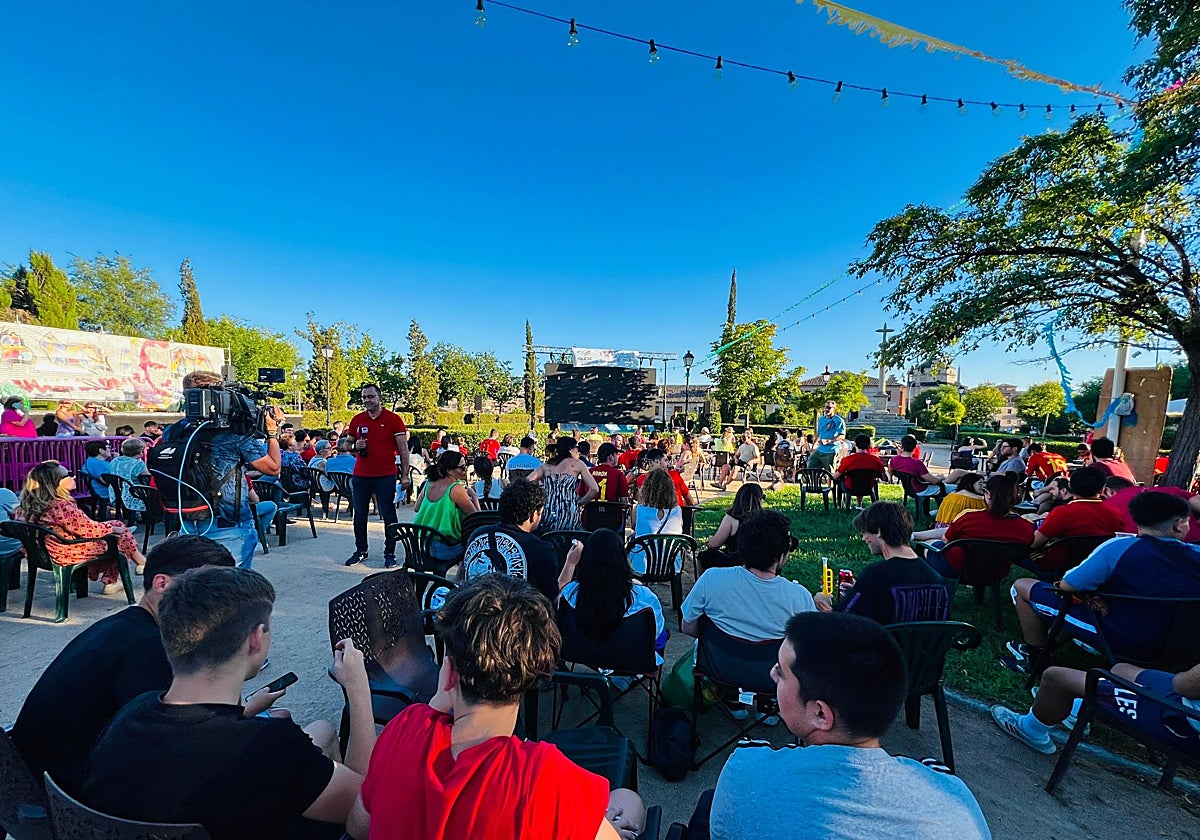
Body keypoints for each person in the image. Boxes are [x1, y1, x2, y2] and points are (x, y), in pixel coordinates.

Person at [81, 567, 374, 839]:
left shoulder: (132, 712)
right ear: (256, 639)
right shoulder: (268, 745)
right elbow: (366, 806)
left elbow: (198, 738)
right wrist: (357, 686)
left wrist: (244, 711)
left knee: (321, 730)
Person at [347, 574, 644, 839]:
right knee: (628, 800)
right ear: (533, 672)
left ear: (449, 673)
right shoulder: (544, 779)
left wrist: (440, 699)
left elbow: (358, 826)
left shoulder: (406, 727)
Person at [706, 612, 991, 839]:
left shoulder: (745, 771)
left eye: (781, 673)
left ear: (820, 714)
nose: (772, 674)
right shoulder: (955, 801)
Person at [9, 536, 236, 796]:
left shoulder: (124, 625)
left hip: (35, 777)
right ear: (162, 583)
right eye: (208, 587)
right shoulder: (147, 646)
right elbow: (165, 741)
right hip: (68, 793)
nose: (220, 600)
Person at [1002, 492, 1200, 676]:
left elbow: (1068, 585)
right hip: (1186, 646)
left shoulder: (1119, 548)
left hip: (1123, 637)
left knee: (1023, 586)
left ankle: (1034, 658)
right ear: (1179, 525)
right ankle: (1049, 645)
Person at [174, 370, 284, 570]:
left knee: (197, 584)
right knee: (229, 589)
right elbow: (273, 468)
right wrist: (272, 432)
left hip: (188, 519)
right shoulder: (232, 435)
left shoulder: (174, 430)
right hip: (227, 524)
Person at [992, 660, 1200, 755]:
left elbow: (1183, 686)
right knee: (1121, 669)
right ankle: (1077, 709)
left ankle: (1031, 730)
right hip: (1185, 703)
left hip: (1179, 719)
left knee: (1055, 678)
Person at [682, 510, 816, 643]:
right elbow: (809, 644)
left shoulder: (711, 579)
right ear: (782, 556)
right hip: (772, 664)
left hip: (715, 663)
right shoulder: (799, 597)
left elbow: (687, 627)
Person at [16, 460, 146, 591]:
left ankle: (115, 579)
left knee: (115, 531)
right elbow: (86, 529)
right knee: (117, 535)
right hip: (65, 552)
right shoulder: (60, 505)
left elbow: (81, 527)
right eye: (69, 474)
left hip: (42, 553)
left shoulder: (27, 505)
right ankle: (126, 571)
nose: (74, 476)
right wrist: (113, 529)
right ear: (55, 482)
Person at [816, 502, 950, 625]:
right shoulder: (935, 577)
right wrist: (860, 590)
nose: (864, 538)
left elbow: (841, 619)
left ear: (879, 532)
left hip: (881, 649)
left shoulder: (875, 575)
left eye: (865, 532)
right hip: (925, 650)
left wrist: (823, 603)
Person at [560, 528, 668, 663]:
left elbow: (559, 599)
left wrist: (570, 563)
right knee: (663, 635)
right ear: (622, 559)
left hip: (583, 655)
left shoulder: (570, 594)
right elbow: (655, 634)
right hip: (630, 661)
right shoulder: (645, 598)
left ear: (585, 560)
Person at [343, 383, 411, 567]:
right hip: (361, 475)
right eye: (364, 397)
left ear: (380, 398)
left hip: (385, 475)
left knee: (388, 514)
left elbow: (404, 450)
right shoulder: (357, 420)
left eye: (371, 396)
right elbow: (346, 445)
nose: (367, 400)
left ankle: (389, 553)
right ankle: (360, 550)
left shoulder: (394, 420)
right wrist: (355, 447)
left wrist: (405, 475)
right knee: (360, 514)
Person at [918, 473, 1033, 579]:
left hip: (958, 568)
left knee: (927, 544)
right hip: (996, 572)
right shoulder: (1026, 527)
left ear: (988, 495)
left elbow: (946, 540)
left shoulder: (969, 517)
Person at [462, 479, 559, 602]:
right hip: (514, 618)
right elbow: (551, 600)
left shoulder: (477, 534)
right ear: (533, 515)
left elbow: (462, 578)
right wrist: (570, 564)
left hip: (469, 613)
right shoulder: (542, 550)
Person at [1028, 466, 1123, 572]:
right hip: (1101, 568)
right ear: (1102, 489)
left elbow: (1035, 543)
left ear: (1070, 486)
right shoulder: (1117, 512)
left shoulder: (1063, 512)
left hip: (1059, 566)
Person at [414, 449, 480, 568]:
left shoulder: (429, 483)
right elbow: (476, 517)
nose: (465, 469)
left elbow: (416, 508)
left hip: (425, 546)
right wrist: (474, 496)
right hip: (446, 548)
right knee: (475, 544)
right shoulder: (455, 489)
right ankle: (460, 580)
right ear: (449, 470)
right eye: (462, 467)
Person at [530, 436, 599, 533]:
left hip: (548, 511)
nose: (578, 451)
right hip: (569, 512)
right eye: (577, 448)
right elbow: (594, 489)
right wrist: (579, 503)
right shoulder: (578, 464)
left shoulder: (546, 466)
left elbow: (527, 481)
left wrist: (541, 492)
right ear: (571, 450)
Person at [1102, 477, 1200, 542]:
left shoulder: (1108, 505)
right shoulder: (1169, 490)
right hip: (1194, 542)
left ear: (1108, 491)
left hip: (1144, 550)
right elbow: (1196, 501)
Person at [697, 483, 764, 572]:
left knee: (703, 557)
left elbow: (714, 544)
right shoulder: (764, 519)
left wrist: (710, 540)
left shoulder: (732, 518)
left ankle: (703, 584)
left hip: (735, 562)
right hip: (759, 563)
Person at [629, 468, 684, 575]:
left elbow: (633, 526)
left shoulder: (640, 509)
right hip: (671, 565)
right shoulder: (677, 511)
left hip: (643, 564)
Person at [912, 472, 985, 538]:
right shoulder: (977, 500)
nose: (983, 486)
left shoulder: (951, 494)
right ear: (971, 483)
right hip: (956, 532)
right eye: (980, 483)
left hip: (939, 526)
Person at [832, 434, 889, 508]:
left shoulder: (848, 460)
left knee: (843, 481)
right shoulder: (875, 460)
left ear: (855, 444)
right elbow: (885, 478)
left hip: (851, 486)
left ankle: (841, 505)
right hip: (868, 486)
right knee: (862, 479)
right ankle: (859, 505)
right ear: (869, 445)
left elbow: (836, 477)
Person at [108, 438, 151, 517]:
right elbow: (147, 477)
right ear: (139, 452)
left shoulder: (115, 460)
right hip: (132, 491)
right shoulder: (138, 464)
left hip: (115, 490)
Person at [586, 442, 631, 506]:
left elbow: (580, 495)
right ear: (611, 457)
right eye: (617, 454)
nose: (618, 457)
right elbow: (624, 502)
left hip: (589, 513)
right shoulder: (618, 474)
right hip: (612, 514)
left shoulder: (589, 472)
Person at [807, 400, 846, 470]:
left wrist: (829, 441)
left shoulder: (838, 420)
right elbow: (818, 433)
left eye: (829, 407)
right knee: (811, 466)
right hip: (820, 450)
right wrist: (813, 446)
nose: (826, 409)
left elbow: (842, 435)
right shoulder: (821, 419)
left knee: (829, 472)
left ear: (834, 409)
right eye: (825, 407)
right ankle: (814, 480)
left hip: (831, 450)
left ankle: (830, 481)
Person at [81, 438, 115, 503]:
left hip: (95, 490)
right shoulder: (102, 464)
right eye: (108, 448)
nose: (110, 450)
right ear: (101, 450)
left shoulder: (90, 461)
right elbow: (113, 480)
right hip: (105, 492)